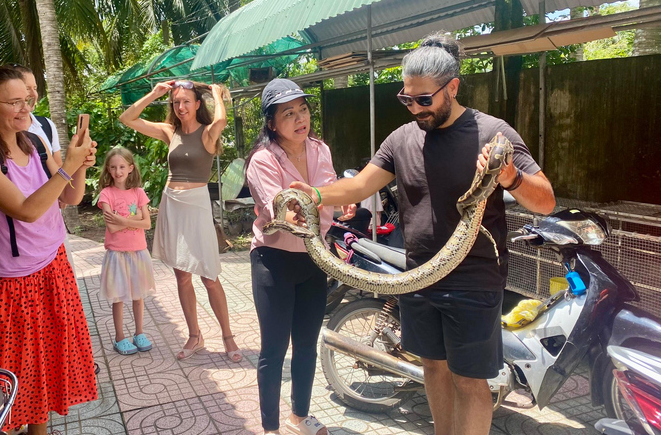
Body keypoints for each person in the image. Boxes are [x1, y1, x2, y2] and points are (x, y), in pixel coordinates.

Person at [290, 34, 556, 435]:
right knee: (432, 365)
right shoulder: (402, 139)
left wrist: (511, 177)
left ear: (452, 87)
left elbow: (546, 201)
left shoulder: (493, 134)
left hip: (474, 278)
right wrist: (313, 194)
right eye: (406, 99)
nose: (415, 108)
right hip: (419, 275)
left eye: (423, 100)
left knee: (469, 378)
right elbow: (360, 186)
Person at [0, 66, 98, 435]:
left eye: (28, 99)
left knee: (49, 372)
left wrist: (79, 165)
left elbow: (70, 196)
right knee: (16, 382)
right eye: (14, 102)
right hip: (14, 283)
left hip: (54, 266)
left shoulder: (32, 143)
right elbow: (25, 209)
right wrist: (67, 167)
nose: (25, 108)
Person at [119, 80, 241, 362]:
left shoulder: (209, 133)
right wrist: (155, 93)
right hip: (171, 203)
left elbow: (221, 118)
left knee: (209, 276)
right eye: (176, 102)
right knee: (182, 275)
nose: (181, 107)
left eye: (186, 101)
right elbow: (127, 118)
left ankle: (228, 336)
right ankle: (194, 335)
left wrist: (214, 93)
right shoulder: (169, 132)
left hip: (196, 206)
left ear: (198, 104)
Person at [246, 78, 341, 435]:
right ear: (272, 123)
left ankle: (299, 417)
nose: (300, 118)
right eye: (289, 113)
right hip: (274, 261)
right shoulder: (263, 160)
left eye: (303, 109)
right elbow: (281, 210)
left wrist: (336, 203)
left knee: (306, 344)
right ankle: (270, 428)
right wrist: (300, 212)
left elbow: (326, 195)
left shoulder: (320, 150)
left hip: (313, 260)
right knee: (273, 348)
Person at [97, 147, 156, 355]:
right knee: (119, 297)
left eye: (122, 167)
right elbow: (111, 228)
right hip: (117, 253)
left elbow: (147, 223)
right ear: (108, 170)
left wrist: (122, 219)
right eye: (113, 167)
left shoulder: (138, 193)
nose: (118, 171)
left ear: (130, 168)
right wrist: (134, 220)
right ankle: (119, 336)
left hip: (138, 252)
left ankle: (139, 333)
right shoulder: (106, 194)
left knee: (138, 295)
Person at [9, 64, 63, 167]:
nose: (34, 94)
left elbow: (58, 171)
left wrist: (80, 164)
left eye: (35, 88)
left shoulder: (47, 125)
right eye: (27, 88)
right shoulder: (5, 133)